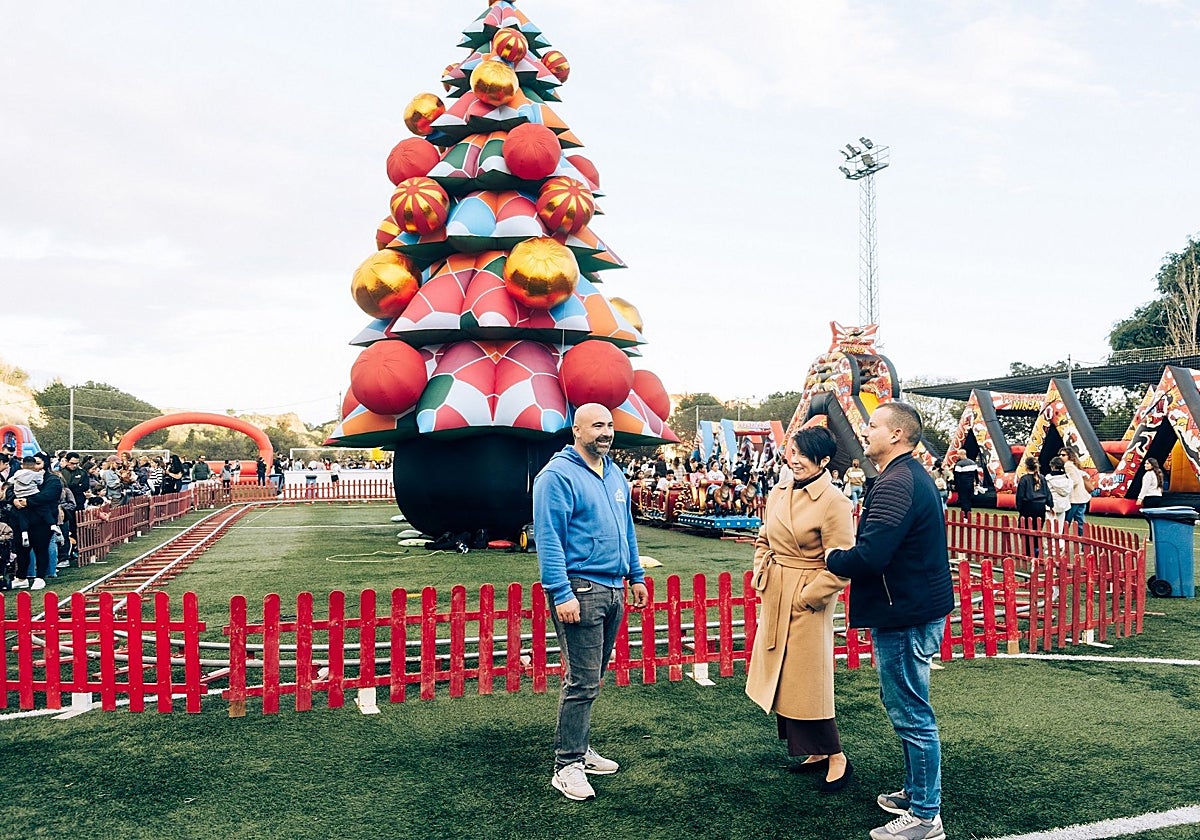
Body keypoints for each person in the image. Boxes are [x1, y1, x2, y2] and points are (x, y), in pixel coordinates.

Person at [825, 403, 953, 840]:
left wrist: (830, 556)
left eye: (872, 425)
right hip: (913, 607)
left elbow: (872, 555)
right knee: (906, 706)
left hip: (906, 613)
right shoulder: (906, 477)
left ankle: (924, 817)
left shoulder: (898, 482)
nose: (863, 430)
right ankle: (918, 792)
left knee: (911, 713)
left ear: (897, 434)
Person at [533, 403, 649, 802]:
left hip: (614, 588)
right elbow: (548, 538)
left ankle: (579, 748)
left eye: (610, 425)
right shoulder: (557, 476)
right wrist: (560, 591)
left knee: (591, 678)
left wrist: (636, 575)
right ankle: (567, 766)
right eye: (598, 425)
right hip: (580, 589)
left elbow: (626, 529)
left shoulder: (615, 473)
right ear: (577, 430)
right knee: (581, 681)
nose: (607, 431)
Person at [745, 427, 855, 793]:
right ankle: (813, 751)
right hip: (776, 588)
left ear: (823, 461)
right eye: (791, 451)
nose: (793, 459)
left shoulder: (835, 502)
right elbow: (763, 538)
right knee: (785, 675)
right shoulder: (778, 490)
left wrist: (808, 596)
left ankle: (835, 754)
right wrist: (762, 569)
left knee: (809, 679)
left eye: (802, 455)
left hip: (809, 596)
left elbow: (841, 564)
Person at [9, 453, 65, 591]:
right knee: (21, 550)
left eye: (38, 463)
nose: (33, 466)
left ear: (44, 464)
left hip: (41, 520)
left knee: (41, 549)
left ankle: (40, 577)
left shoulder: (52, 479)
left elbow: (48, 495)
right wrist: (14, 500)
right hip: (21, 518)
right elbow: (10, 490)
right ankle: (21, 577)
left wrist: (28, 501)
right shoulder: (20, 475)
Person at [1015, 456, 1050, 557]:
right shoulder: (1042, 478)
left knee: (1025, 529)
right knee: (1036, 529)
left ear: (1026, 466)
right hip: (1040, 506)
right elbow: (1047, 493)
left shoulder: (1024, 479)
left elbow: (1020, 495)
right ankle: (1036, 549)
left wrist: (1019, 507)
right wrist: (1050, 504)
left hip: (1028, 506)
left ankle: (1029, 551)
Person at [1059, 448, 1090, 535]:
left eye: (1063, 455)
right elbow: (1084, 475)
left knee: (1066, 522)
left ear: (1069, 456)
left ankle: (1061, 543)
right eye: (1060, 455)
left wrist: (1064, 488)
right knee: (1080, 522)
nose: (1061, 457)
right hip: (1082, 498)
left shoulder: (1067, 466)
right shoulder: (1074, 465)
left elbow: (1074, 481)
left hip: (1074, 499)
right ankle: (1085, 545)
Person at [1045, 457, 1073, 534]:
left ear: (1053, 466)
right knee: (1060, 526)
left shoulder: (1048, 478)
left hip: (1051, 504)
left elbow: (1046, 491)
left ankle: (1052, 543)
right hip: (1063, 504)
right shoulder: (1068, 478)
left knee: (1051, 526)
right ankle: (1060, 543)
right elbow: (1070, 490)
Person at [951, 449, 977, 515]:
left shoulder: (959, 464)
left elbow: (956, 476)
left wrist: (955, 484)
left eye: (958, 454)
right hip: (970, 484)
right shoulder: (972, 463)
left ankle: (965, 514)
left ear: (962, 454)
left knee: (963, 499)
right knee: (969, 499)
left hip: (962, 484)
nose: (957, 456)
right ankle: (969, 512)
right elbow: (976, 474)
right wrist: (977, 483)